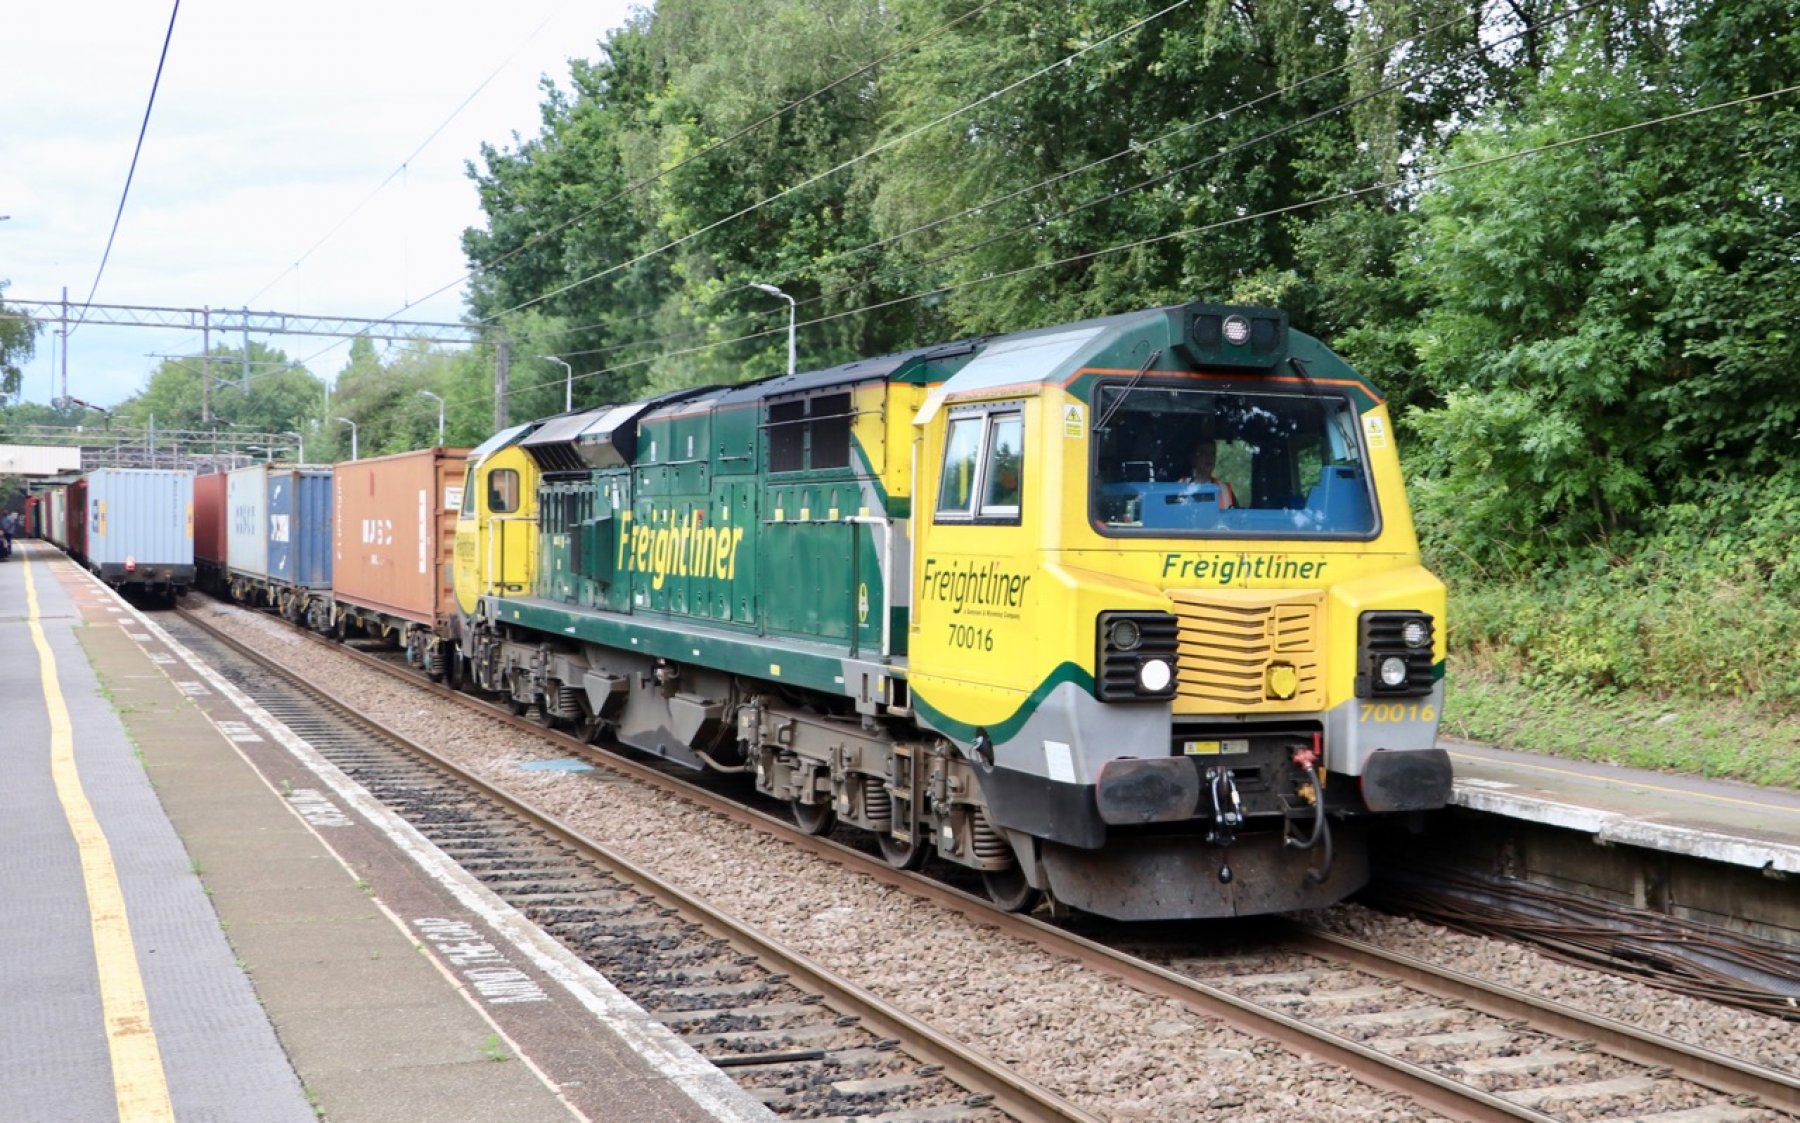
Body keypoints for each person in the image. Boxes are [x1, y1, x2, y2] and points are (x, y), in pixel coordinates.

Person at [1182, 438, 1237, 508]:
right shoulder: (1179, 487)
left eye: (1212, 453)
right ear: (1192, 458)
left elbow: (1238, 514)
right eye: (1203, 452)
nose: (1209, 457)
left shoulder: (1225, 490)